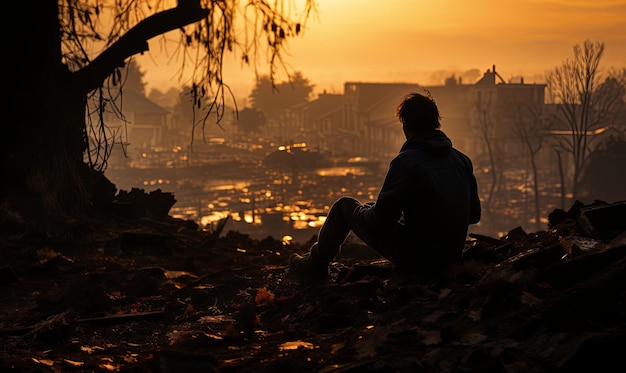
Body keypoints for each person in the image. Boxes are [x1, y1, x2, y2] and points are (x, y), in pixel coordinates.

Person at [288, 92, 481, 280]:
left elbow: (379, 222)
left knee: (344, 207)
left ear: (406, 126)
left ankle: (314, 265)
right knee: (372, 207)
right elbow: (473, 215)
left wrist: (365, 212)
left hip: (419, 258)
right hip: (451, 256)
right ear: (436, 123)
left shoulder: (406, 162)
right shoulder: (462, 160)